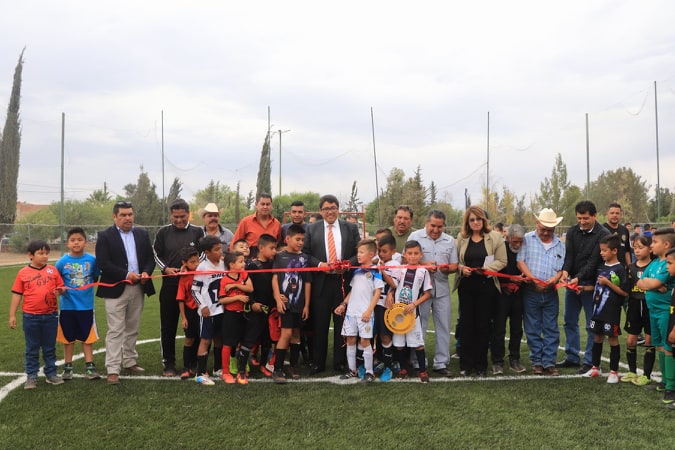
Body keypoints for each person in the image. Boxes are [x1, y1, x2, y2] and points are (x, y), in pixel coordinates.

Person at [96, 201, 156, 385]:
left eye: (130, 214)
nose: (127, 218)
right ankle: (113, 369)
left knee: (133, 327)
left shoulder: (142, 234)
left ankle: (130, 361)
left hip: (138, 287)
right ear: (114, 217)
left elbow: (149, 259)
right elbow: (103, 263)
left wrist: (146, 272)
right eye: (123, 215)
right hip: (116, 288)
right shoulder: (105, 236)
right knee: (116, 330)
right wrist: (125, 274)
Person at [302, 194, 361, 374]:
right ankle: (318, 362)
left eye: (333, 208)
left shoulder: (350, 227)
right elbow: (305, 255)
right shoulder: (311, 229)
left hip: (343, 282)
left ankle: (340, 362)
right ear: (321, 211)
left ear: (338, 209)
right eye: (326, 209)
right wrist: (320, 265)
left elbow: (360, 252)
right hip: (320, 283)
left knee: (342, 323)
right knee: (319, 324)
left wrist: (347, 264)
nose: (330, 211)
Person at [153, 198, 205, 377]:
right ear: (171, 215)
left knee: (194, 326)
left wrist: (191, 268)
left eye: (182, 216)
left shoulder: (198, 232)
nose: (179, 220)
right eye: (175, 217)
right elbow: (156, 255)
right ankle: (169, 363)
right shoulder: (163, 232)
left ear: (188, 214)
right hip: (170, 286)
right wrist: (166, 269)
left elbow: (203, 254)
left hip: (194, 288)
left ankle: (192, 363)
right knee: (168, 326)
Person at [557, 200, 610, 374]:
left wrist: (578, 279)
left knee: (590, 324)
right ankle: (572, 356)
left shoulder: (603, 234)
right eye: (579, 218)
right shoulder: (572, 231)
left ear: (595, 216)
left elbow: (593, 262)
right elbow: (569, 255)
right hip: (573, 283)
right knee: (569, 321)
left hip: (591, 286)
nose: (582, 221)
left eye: (586, 218)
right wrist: (565, 272)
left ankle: (589, 360)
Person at [455, 206, 507, 377]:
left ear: (484, 220)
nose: (476, 222)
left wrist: (486, 269)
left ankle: (481, 365)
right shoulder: (461, 239)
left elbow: (502, 261)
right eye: (472, 219)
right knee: (466, 325)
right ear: (467, 222)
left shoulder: (495, 237)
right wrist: (463, 269)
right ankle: (466, 364)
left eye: (479, 219)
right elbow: (455, 262)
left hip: (487, 286)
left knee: (483, 326)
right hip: (466, 286)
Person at [9, 240, 66, 389]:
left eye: (47, 253)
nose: (45, 256)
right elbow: (17, 294)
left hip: (50, 316)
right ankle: (31, 376)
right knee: (32, 348)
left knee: (49, 347)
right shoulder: (23, 273)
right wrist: (12, 315)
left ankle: (51, 373)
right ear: (30, 255)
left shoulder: (53, 271)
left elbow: (62, 287)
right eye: (41, 253)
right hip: (30, 317)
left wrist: (61, 290)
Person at [408, 210, 458, 376]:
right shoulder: (415, 237)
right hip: (420, 290)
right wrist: (424, 264)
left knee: (443, 326)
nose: (436, 230)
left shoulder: (450, 240)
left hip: (442, 289)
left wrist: (446, 269)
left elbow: (454, 266)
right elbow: (405, 260)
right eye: (433, 226)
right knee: (418, 326)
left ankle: (441, 363)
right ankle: (417, 362)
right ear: (426, 223)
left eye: (440, 226)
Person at [272, 225, 325, 383]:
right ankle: (277, 368)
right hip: (286, 304)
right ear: (287, 239)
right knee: (286, 334)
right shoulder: (280, 257)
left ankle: (293, 366)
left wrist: (306, 305)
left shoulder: (305, 258)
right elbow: (274, 278)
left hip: (299, 304)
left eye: (303, 239)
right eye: (297, 239)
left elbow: (307, 282)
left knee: (296, 335)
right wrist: (277, 298)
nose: (300, 242)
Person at [517, 208, 566, 376]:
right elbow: (520, 262)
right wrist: (533, 279)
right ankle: (537, 362)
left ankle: (549, 363)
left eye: (549, 230)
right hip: (531, 291)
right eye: (542, 228)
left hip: (551, 292)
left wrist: (556, 278)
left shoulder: (560, 244)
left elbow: (562, 269)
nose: (545, 232)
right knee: (532, 327)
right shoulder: (527, 240)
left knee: (551, 327)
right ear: (537, 224)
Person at [334, 239, 384, 384]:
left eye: (361, 252)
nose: (358, 255)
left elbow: (377, 292)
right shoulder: (356, 271)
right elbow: (352, 291)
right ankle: (352, 370)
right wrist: (343, 304)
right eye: (358, 252)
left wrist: (369, 310)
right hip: (351, 313)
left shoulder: (375, 271)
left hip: (365, 314)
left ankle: (369, 372)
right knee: (350, 340)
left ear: (371, 254)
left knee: (364, 341)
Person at [55, 227, 101, 381]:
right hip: (67, 308)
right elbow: (57, 282)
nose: (76, 243)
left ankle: (90, 366)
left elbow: (95, 278)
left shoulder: (92, 260)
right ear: (67, 243)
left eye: (79, 240)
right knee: (68, 339)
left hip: (86, 307)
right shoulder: (61, 262)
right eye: (73, 240)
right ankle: (68, 367)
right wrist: (61, 290)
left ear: (85, 242)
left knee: (87, 338)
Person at [582, 235, 629, 383]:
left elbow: (625, 292)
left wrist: (608, 283)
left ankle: (614, 372)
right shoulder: (601, 267)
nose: (601, 253)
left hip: (611, 311)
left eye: (604, 250)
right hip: (597, 310)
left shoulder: (620, 269)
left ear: (614, 251)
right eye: (600, 250)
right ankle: (595, 368)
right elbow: (597, 286)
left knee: (613, 339)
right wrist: (583, 288)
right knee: (597, 336)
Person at [637, 228, 675, 404]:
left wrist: (652, 284)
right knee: (659, 344)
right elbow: (640, 281)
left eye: (654, 242)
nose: (651, 245)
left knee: (668, 347)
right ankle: (665, 381)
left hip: (666, 311)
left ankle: (671, 387)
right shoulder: (653, 263)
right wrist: (651, 285)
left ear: (666, 244)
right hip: (653, 310)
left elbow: (655, 282)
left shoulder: (669, 263)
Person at [386, 240, 433, 383]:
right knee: (399, 344)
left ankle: (422, 372)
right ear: (405, 254)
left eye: (416, 253)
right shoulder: (400, 269)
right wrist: (390, 293)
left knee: (418, 343)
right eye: (410, 253)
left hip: (413, 314)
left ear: (421, 255)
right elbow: (393, 285)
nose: (412, 256)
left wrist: (414, 304)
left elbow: (427, 293)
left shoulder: (423, 272)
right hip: (397, 313)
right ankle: (403, 369)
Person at [490, 224, 526, 374]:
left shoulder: (524, 250)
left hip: (519, 294)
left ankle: (514, 359)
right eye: (515, 241)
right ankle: (497, 361)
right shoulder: (500, 248)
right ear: (508, 237)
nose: (517, 244)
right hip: (501, 295)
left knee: (517, 329)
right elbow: (492, 270)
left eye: (520, 241)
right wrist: (509, 280)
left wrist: (520, 281)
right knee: (499, 328)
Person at [621, 235, 655, 385]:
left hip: (649, 305)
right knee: (630, 340)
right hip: (634, 305)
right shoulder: (631, 267)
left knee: (649, 340)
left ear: (649, 248)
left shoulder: (655, 266)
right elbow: (626, 288)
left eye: (641, 247)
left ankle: (646, 375)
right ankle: (631, 371)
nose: (637, 251)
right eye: (635, 247)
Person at [192, 235, 225, 385]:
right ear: (207, 252)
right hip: (208, 311)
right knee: (205, 340)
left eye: (220, 248)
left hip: (221, 310)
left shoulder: (223, 264)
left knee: (219, 338)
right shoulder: (202, 267)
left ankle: (217, 368)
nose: (220, 251)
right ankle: (200, 373)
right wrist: (202, 306)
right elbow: (195, 290)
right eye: (216, 249)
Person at [218, 251, 254, 385]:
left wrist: (236, 285)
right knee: (228, 344)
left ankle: (242, 369)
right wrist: (237, 297)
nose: (244, 263)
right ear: (231, 265)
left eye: (244, 261)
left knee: (242, 342)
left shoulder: (243, 274)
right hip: (230, 316)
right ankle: (225, 372)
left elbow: (250, 288)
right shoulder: (224, 279)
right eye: (241, 261)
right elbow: (222, 300)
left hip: (244, 314)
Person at [245, 234, 278, 377]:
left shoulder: (273, 264)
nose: (274, 251)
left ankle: (264, 365)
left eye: (275, 248)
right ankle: (242, 368)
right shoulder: (252, 265)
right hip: (256, 309)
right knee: (250, 338)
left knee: (267, 340)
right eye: (272, 248)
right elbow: (246, 286)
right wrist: (252, 303)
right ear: (261, 248)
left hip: (270, 309)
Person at [373, 233, 400, 381]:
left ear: (393, 251)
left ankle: (389, 366)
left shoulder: (395, 265)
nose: (381, 254)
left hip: (386, 306)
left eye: (384, 251)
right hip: (375, 304)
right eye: (379, 251)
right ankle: (383, 361)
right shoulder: (377, 262)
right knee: (376, 334)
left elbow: (394, 284)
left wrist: (383, 271)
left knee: (386, 335)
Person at [231, 193, 281, 258]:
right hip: (250, 260)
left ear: (271, 205)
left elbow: (279, 245)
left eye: (268, 204)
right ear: (256, 204)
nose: (265, 207)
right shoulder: (245, 222)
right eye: (262, 204)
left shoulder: (277, 224)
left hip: (271, 262)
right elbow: (235, 244)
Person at [176, 246, 201, 380]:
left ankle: (195, 365)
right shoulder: (183, 278)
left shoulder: (202, 272)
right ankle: (186, 367)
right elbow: (180, 299)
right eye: (192, 262)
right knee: (189, 339)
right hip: (190, 312)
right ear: (184, 263)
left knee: (200, 338)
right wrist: (184, 318)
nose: (196, 264)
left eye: (197, 261)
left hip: (202, 311)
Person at [603, 202, 631, 267]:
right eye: (612, 213)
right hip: (607, 268)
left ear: (621, 215)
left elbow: (627, 250)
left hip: (622, 268)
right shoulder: (602, 230)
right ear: (607, 214)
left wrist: (629, 266)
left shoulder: (624, 230)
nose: (615, 215)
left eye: (617, 213)